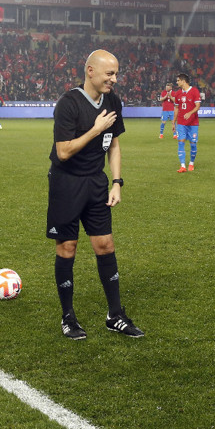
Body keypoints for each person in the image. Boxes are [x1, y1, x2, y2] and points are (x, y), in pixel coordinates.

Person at [46, 49, 144, 340]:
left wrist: (117, 182)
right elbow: (63, 151)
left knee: (105, 245)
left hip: (96, 183)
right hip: (66, 183)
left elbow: (113, 144)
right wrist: (94, 129)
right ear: (90, 71)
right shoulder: (69, 103)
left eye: (116, 73)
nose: (114, 79)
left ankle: (115, 315)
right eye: (109, 73)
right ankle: (68, 318)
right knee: (68, 248)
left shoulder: (113, 101)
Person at [172, 73, 201, 172]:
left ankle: (191, 163)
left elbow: (197, 106)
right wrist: (173, 122)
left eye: (178, 80)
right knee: (181, 142)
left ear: (183, 81)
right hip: (181, 123)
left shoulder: (194, 91)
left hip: (193, 123)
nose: (177, 82)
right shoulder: (177, 94)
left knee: (193, 144)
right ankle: (183, 166)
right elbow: (176, 108)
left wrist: (190, 113)